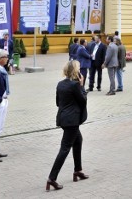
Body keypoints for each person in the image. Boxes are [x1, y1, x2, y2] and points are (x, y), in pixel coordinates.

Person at [46, 60, 89, 191]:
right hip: (72, 121)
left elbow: (58, 103)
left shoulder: (60, 84)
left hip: (64, 118)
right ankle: (52, 179)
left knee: (78, 141)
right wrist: (82, 86)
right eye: (79, 68)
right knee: (64, 149)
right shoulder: (75, 85)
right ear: (76, 71)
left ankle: (78, 170)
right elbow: (83, 100)